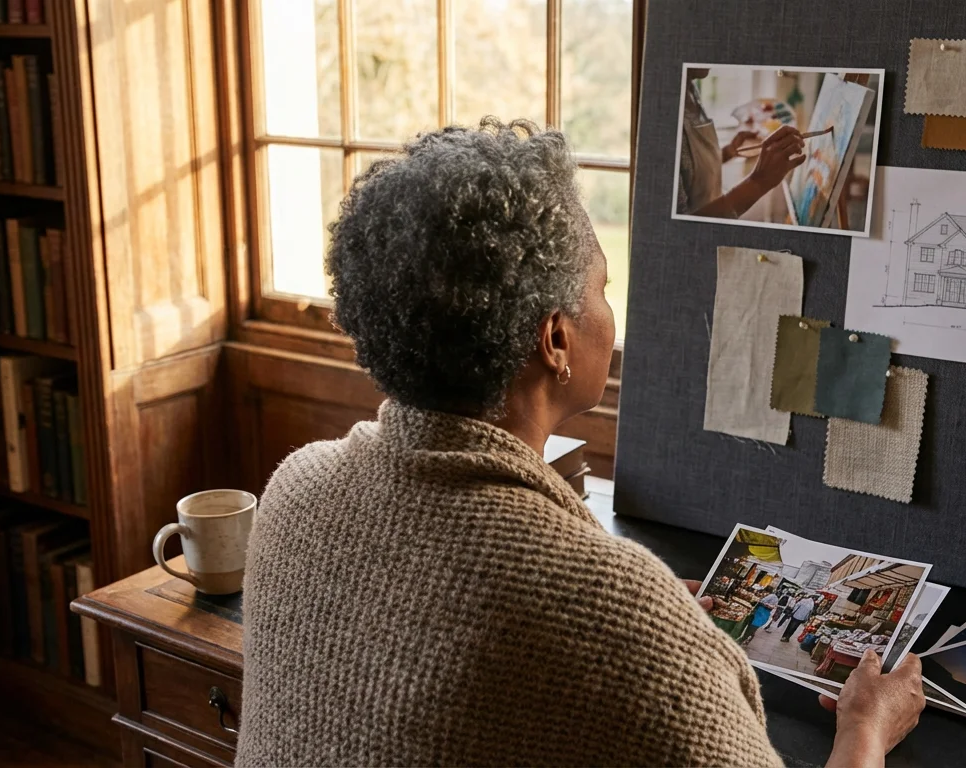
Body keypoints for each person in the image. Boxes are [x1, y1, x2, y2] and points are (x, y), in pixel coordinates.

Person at [237, 117, 923, 767]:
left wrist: (647, 624)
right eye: (601, 287)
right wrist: (866, 726)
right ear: (556, 339)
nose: (608, 311)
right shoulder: (613, 607)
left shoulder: (296, 488)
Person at [676, 67, 808, 219]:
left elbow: (691, 172)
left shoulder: (691, 88)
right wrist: (757, 182)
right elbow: (680, 229)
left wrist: (728, 152)